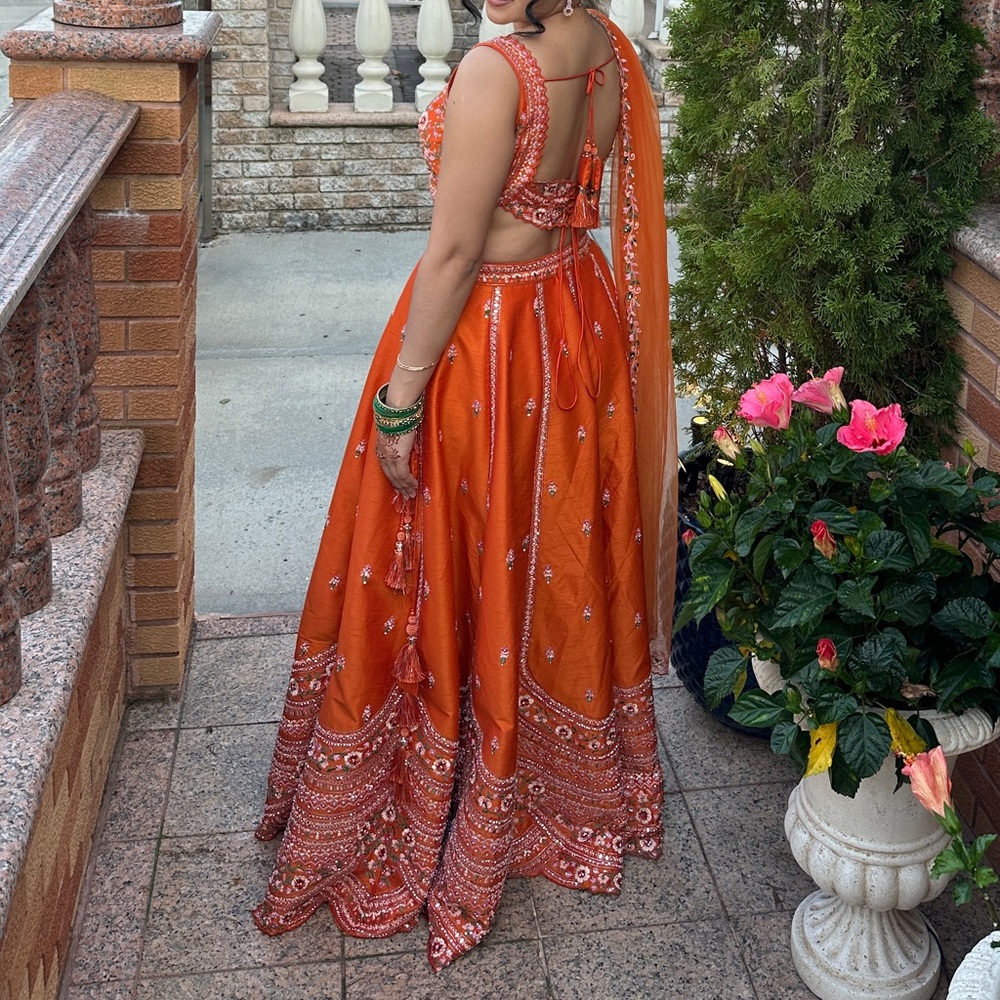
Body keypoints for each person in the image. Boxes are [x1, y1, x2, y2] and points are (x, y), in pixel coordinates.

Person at [252, 0, 677, 972]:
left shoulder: (497, 71)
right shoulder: (610, 51)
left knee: (445, 556)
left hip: (489, 345)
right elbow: (585, 194)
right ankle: (550, 778)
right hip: (576, 317)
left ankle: (457, 784)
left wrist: (400, 400)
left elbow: (453, 252)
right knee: (542, 564)